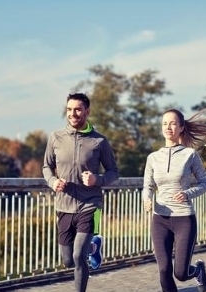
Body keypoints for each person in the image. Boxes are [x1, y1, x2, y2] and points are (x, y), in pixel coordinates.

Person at [43, 92, 119, 292]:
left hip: (90, 205)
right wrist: (52, 182)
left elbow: (113, 171)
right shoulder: (56, 137)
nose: (73, 113)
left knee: (78, 256)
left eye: (77, 109)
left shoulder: (99, 141)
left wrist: (98, 180)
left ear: (87, 111)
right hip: (64, 206)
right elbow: (46, 167)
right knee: (68, 260)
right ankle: (93, 248)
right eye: (69, 109)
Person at [142, 106, 206, 292]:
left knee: (181, 273)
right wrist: (147, 199)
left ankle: (198, 271)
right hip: (160, 219)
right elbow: (148, 186)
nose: (168, 127)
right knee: (163, 270)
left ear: (181, 127)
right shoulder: (153, 157)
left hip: (184, 219)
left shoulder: (190, 155)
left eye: (172, 123)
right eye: (164, 123)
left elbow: (205, 183)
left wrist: (187, 193)